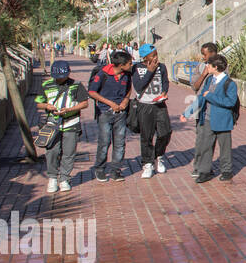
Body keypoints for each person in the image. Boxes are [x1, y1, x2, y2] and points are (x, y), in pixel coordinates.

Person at [36, 61, 90, 193]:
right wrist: (47, 106)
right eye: (58, 76)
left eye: (63, 76)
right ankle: (52, 177)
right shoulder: (46, 85)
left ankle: (64, 178)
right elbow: (39, 103)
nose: (61, 79)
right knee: (52, 152)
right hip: (52, 125)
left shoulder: (76, 85)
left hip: (71, 123)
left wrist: (70, 109)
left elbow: (84, 103)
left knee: (69, 152)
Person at [88, 49, 134, 182]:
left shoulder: (126, 75)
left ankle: (116, 170)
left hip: (121, 113)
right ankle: (100, 169)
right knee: (104, 142)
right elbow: (92, 92)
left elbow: (129, 88)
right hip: (105, 113)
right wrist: (110, 103)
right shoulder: (103, 74)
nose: (131, 65)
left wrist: (126, 100)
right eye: (129, 63)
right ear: (121, 65)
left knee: (120, 143)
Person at [193, 54, 238, 183]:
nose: (207, 66)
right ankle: (204, 171)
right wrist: (190, 111)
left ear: (216, 67)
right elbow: (203, 95)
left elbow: (230, 102)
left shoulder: (229, 83)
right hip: (207, 118)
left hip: (223, 120)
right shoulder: (209, 80)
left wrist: (210, 96)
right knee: (205, 146)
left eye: (209, 65)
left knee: (224, 147)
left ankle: (226, 171)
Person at [131, 44, 172, 178]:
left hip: (159, 104)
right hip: (145, 105)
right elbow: (138, 86)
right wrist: (149, 71)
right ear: (145, 57)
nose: (156, 57)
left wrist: (165, 91)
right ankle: (147, 164)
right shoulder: (137, 68)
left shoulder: (162, 67)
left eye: (156, 54)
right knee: (146, 136)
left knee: (165, 132)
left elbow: (165, 82)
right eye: (153, 55)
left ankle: (158, 156)